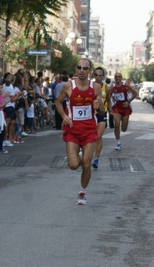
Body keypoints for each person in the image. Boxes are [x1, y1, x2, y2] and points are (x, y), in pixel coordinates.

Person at [55, 59, 104, 205]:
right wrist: (64, 116)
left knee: (87, 164)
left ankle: (82, 192)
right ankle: (80, 154)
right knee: (73, 165)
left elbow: (101, 109)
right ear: (76, 69)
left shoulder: (95, 87)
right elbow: (58, 102)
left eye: (85, 68)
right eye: (79, 67)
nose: (81, 70)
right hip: (73, 130)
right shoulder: (68, 86)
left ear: (90, 71)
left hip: (89, 130)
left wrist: (98, 105)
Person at [109, 72, 137, 150]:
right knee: (117, 124)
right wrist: (110, 109)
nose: (118, 78)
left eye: (119, 76)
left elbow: (135, 94)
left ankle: (122, 119)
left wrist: (128, 101)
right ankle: (118, 142)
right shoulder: (112, 87)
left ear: (121, 78)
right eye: (116, 76)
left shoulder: (126, 86)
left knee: (124, 129)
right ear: (114, 78)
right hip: (117, 107)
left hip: (125, 108)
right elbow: (108, 98)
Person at [92, 67, 110, 169]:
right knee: (90, 137)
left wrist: (110, 110)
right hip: (91, 114)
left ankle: (96, 159)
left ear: (103, 76)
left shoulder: (107, 88)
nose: (98, 77)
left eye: (100, 75)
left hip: (102, 114)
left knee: (98, 136)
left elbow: (108, 99)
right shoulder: (90, 86)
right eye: (96, 75)